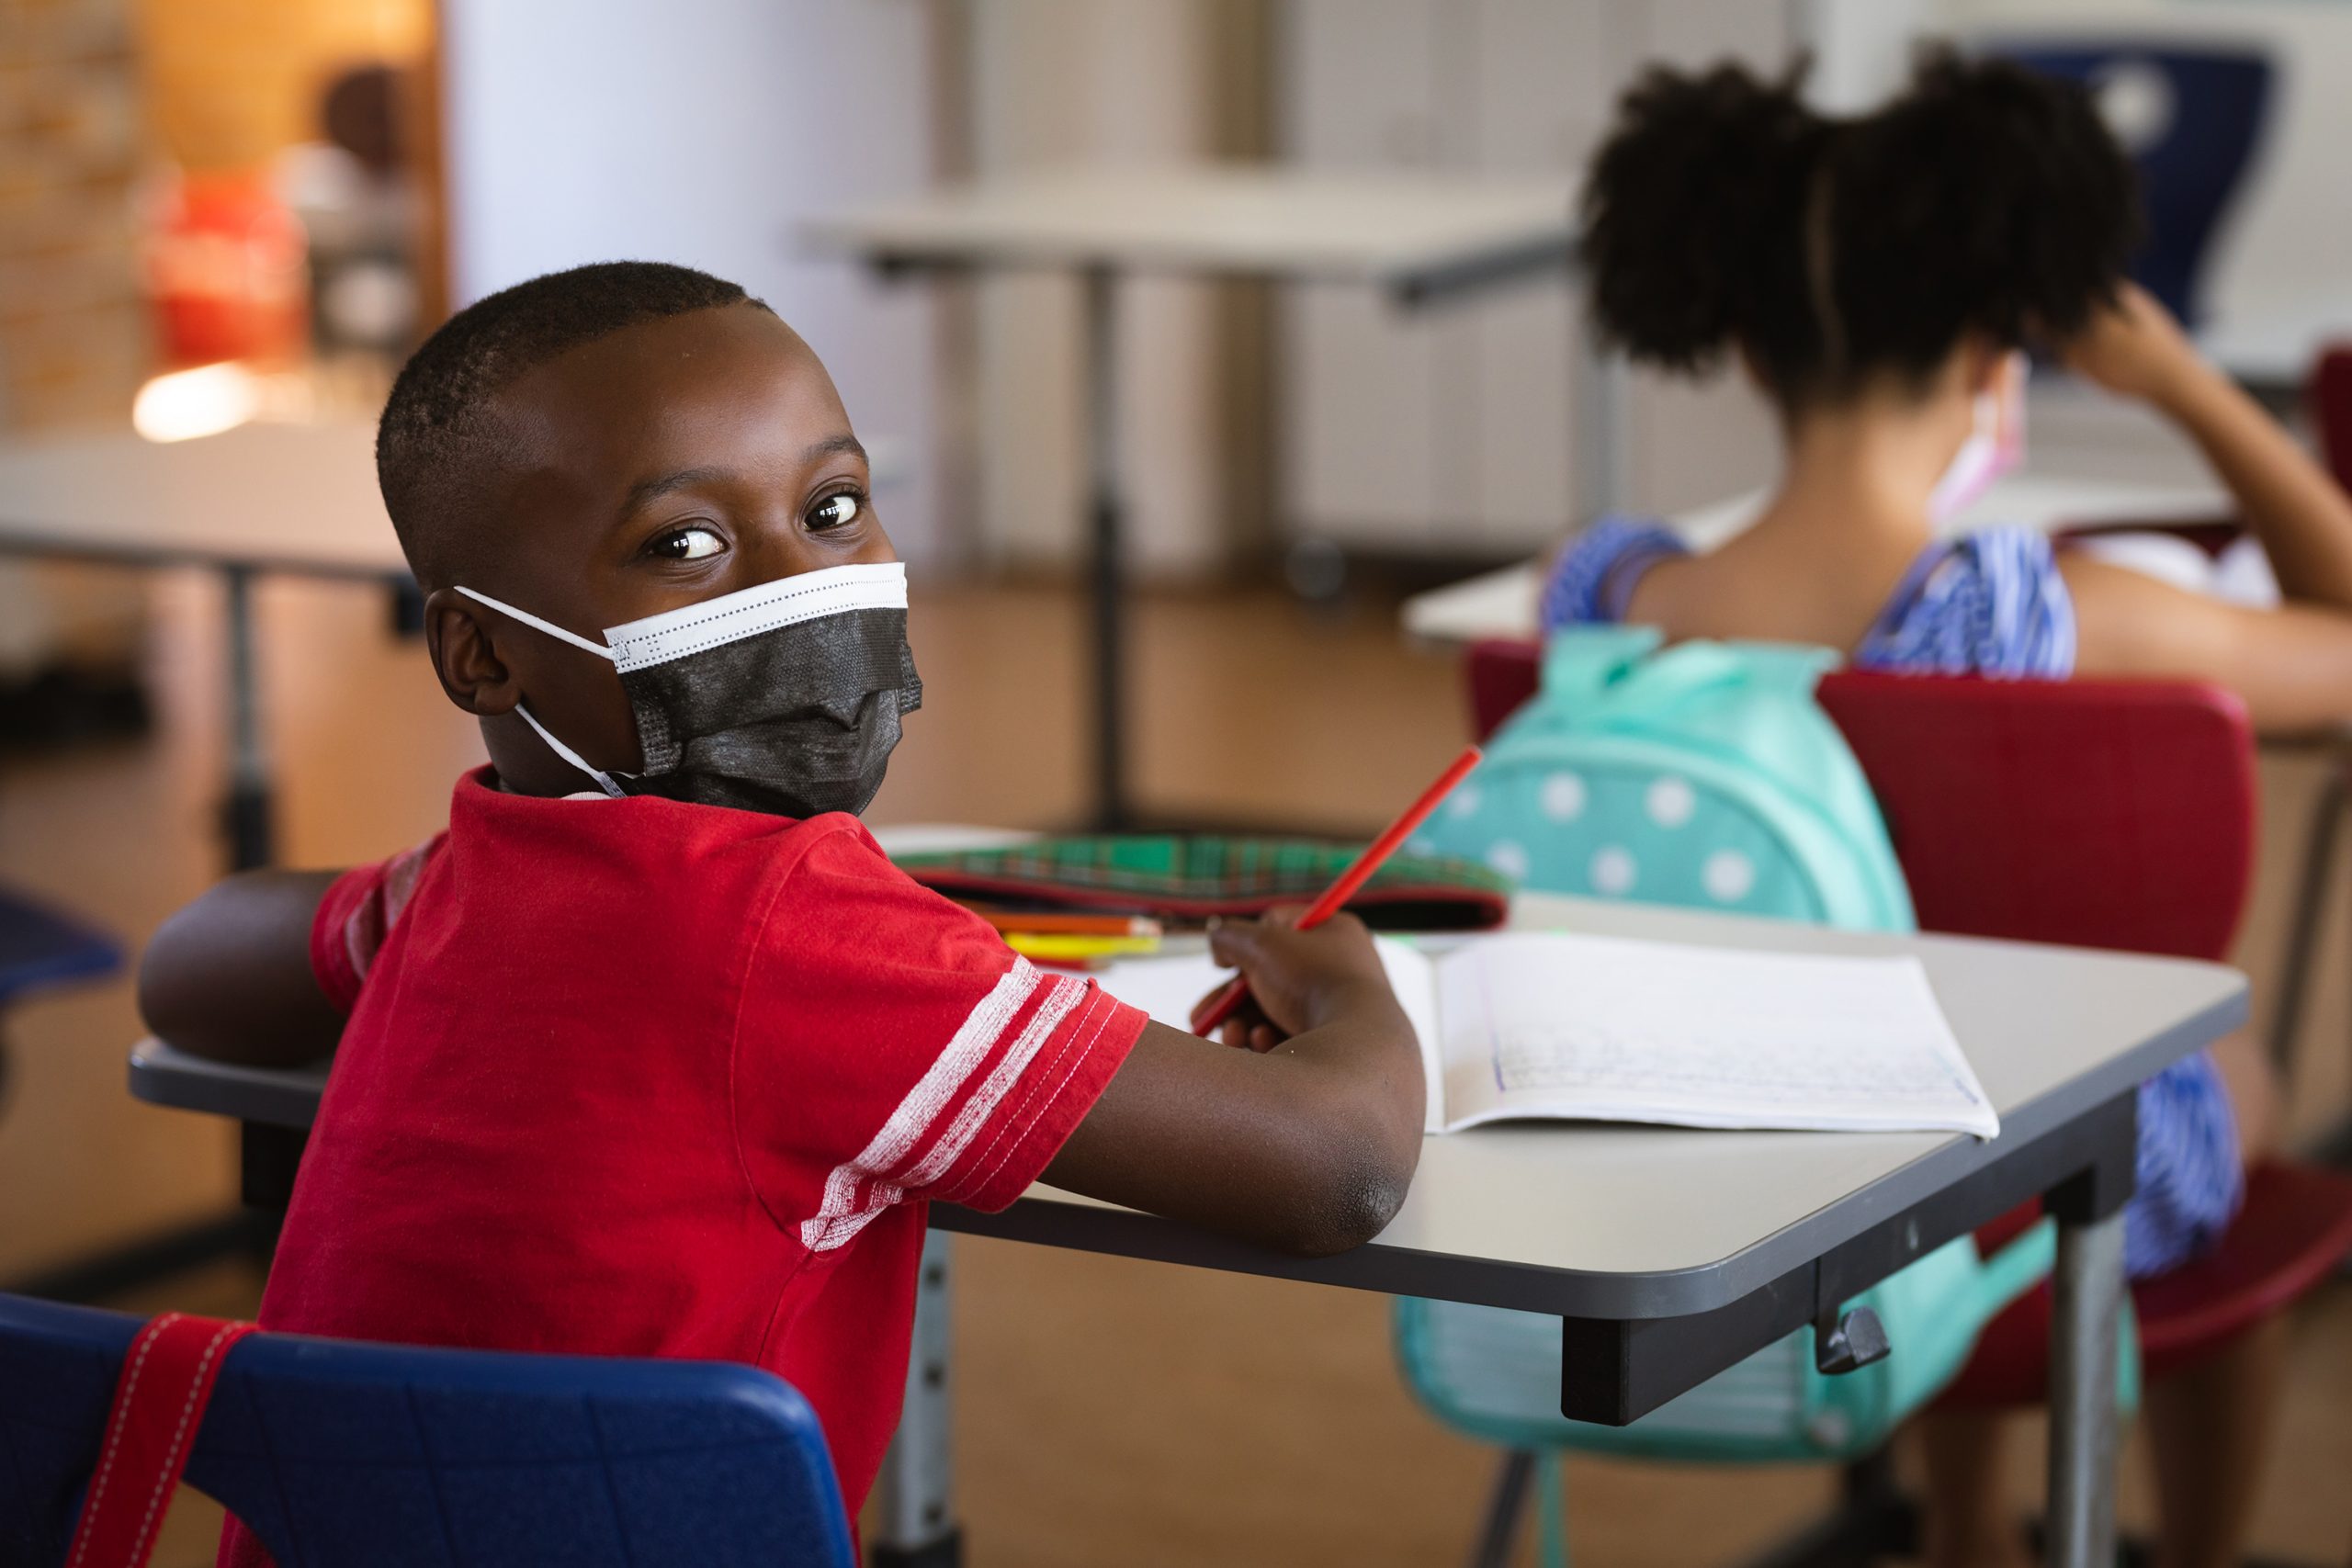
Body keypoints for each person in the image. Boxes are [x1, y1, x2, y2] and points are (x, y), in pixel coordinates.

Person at [136, 262, 1425, 1562]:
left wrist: (389, 913)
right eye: (684, 546)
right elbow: (1336, 1171)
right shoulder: (793, 929)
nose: (797, 585)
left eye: (834, 507)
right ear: (480, 651)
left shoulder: (469, 880)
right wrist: (1345, 987)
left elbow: (186, 974)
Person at [1555, 51, 2333, 1568]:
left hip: (1744, 1157)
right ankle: (2198, 1548)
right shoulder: (2058, 618)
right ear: (2001, 349)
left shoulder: (1605, 599)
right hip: (2023, 1190)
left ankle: (1964, 1536)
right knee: (2204, 1068)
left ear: (1753, 353)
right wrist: (2181, 382)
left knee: (1921, 1013)